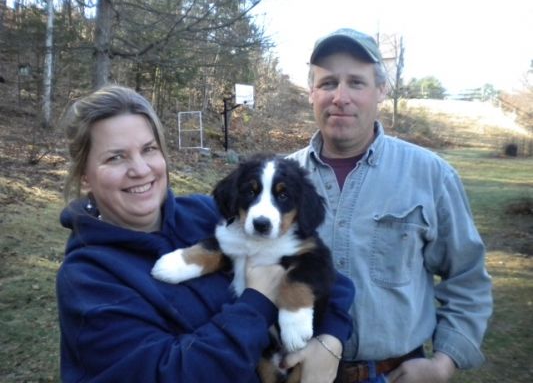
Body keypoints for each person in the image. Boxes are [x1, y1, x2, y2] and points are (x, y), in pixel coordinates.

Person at [56, 85, 355, 382]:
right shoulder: (87, 277)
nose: (140, 169)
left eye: (149, 149)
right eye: (115, 157)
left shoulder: (204, 213)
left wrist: (330, 342)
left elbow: (334, 284)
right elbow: (169, 374)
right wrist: (258, 301)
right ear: (85, 175)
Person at [287, 28, 493, 383]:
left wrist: (442, 364)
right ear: (311, 92)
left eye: (356, 82)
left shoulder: (430, 175)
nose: (340, 97)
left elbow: (468, 278)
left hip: (394, 373)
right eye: (328, 83)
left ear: (381, 90)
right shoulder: (277, 184)